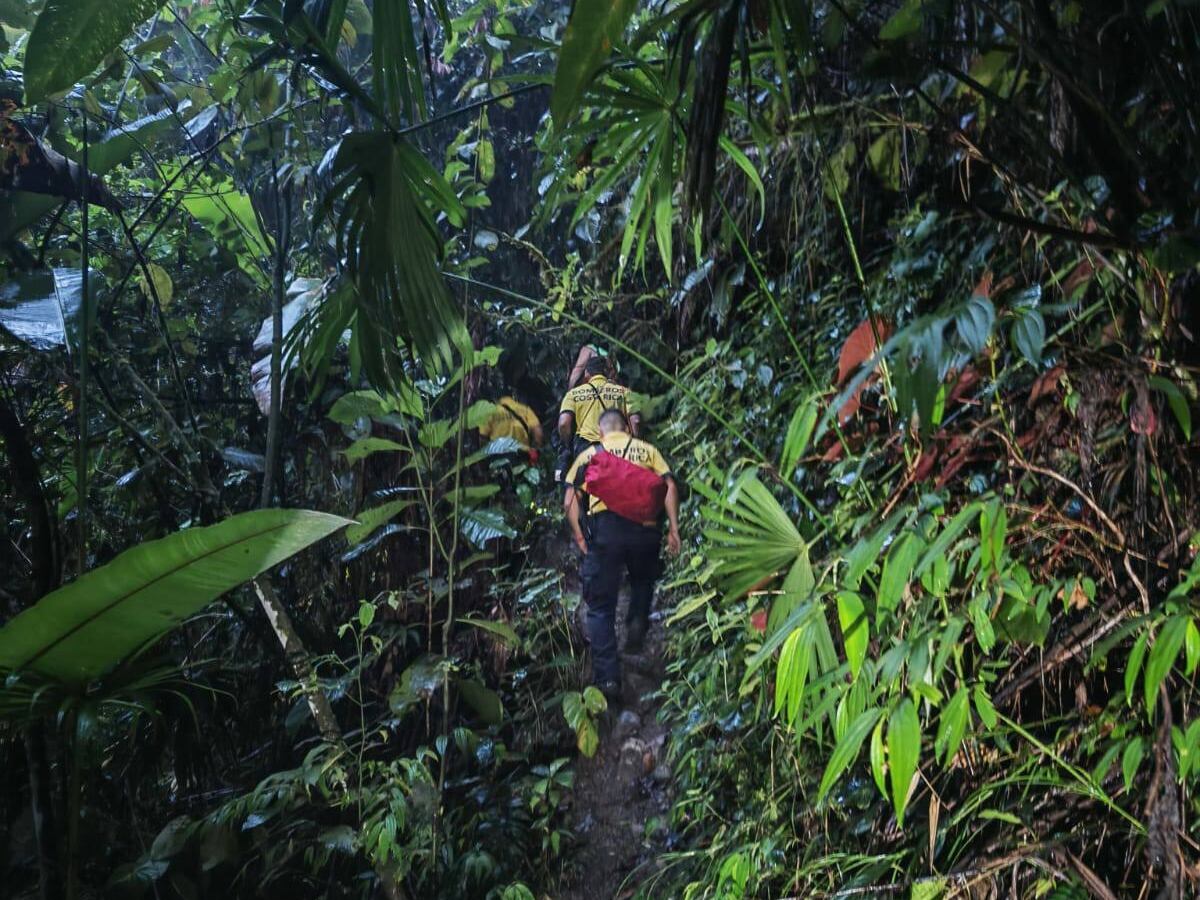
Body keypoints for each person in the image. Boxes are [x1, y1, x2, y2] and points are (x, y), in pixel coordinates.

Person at [563, 409, 681, 701]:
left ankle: (608, 679)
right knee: (643, 579)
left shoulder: (590, 454)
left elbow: (570, 499)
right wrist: (673, 529)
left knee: (601, 607)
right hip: (645, 529)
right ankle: (637, 623)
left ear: (602, 432)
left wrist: (580, 534)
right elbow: (669, 486)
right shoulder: (647, 450)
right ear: (627, 429)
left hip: (606, 531)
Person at [555, 354, 641, 482]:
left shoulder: (573, 394)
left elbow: (563, 424)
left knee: (581, 492)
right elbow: (636, 421)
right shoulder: (624, 392)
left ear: (587, 373)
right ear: (606, 372)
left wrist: (567, 445)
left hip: (586, 452)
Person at [477, 394, 543, 462]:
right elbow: (537, 431)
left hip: (498, 453)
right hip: (521, 453)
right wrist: (535, 448)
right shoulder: (525, 409)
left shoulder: (490, 412)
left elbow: (482, 437)